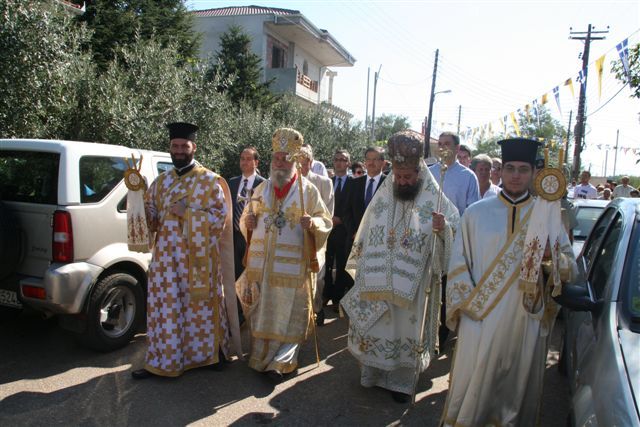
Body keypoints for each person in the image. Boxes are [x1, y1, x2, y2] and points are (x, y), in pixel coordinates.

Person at [442, 137, 578, 426]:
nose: (516, 175)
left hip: (524, 316)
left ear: (533, 174)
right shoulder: (476, 214)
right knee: (474, 384)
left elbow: (570, 267)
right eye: (510, 168)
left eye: (524, 169)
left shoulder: (547, 217)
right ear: (500, 172)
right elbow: (457, 263)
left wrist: (549, 258)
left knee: (516, 385)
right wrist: (468, 307)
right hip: (480, 316)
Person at [341, 130, 459, 403]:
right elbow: (368, 229)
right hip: (379, 277)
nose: (403, 182)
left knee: (404, 332)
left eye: (408, 177)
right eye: (399, 177)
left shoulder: (434, 197)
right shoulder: (384, 195)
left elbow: (454, 228)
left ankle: (401, 383)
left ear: (418, 173)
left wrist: (443, 230)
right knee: (376, 325)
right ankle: (372, 374)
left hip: (413, 284)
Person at [132, 122, 242, 379]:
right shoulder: (160, 182)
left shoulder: (209, 180)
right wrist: (138, 202)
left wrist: (188, 214)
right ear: (170, 148)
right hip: (166, 262)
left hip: (198, 260)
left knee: (199, 307)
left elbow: (219, 221)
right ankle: (165, 359)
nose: (179, 150)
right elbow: (152, 220)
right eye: (175, 146)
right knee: (167, 309)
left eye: (184, 145)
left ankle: (209, 356)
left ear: (194, 147)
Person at [239, 128, 332, 378]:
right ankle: (261, 357)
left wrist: (312, 224)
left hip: (293, 268)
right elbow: (247, 217)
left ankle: (282, 362)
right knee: (264, 311)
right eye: (276, 158)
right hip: (264, 267)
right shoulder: (261, 190)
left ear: (294, 161)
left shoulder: (307, 190)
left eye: (284, 158)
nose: (279, 163)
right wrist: (246, 223)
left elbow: (326, 220)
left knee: (290, 314)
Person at [298, 146, 335, 327]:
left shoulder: (324, 183)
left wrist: (313, 223)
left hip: (316, 239)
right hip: (294, 240)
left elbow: (328, 215)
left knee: (317, 278)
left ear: (310, 163)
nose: (299, 168)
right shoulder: (286, 184)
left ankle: (317, 308)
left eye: (303, 164)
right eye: (296, 163)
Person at [322, 149, 353, 323]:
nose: (339, 163)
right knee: (326, 264)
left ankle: (338, 298)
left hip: (344, 230)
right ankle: (326, 293)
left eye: (343, 160)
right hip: (327, 229)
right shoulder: (328, 182)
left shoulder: (353, 183)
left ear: (348, 163)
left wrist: (340, 219)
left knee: (341, 265)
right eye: (336, 159)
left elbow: (353, 205)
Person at [229, 147, 265, 280]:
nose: (244, 162)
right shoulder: (232, 183)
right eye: (242, 159)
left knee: (251, 276)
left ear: (256, 162)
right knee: (235, 276)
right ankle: (235, 301)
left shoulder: (264, 185)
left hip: (253, 237)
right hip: (234, 237)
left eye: (249, 159)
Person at [343, 146, 386, 252]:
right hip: (355, 241)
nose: (371, 163)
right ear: (365, 162)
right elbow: (346, 212)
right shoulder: (354, 183)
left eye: (375, 159)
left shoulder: (388, 184)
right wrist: (354, 232)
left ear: (382, 162)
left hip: (380, 243)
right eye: (368, 159)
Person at [429, 132, 480, 216]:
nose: (442, 147)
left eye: (447, 144)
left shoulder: (469, 176)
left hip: (457, 227)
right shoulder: (430, 172)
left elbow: (473, 210)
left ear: (457, 148)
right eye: (440, 144)